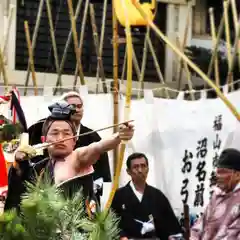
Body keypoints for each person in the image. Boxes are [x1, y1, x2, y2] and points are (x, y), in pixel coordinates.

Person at [4, 101, 134, 212]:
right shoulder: (38, 168)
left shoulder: (78, 158)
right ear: (44, 139)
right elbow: (18, 196)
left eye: (66, 134)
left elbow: (98, 147)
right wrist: (18, 163)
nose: (60, 139)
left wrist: (118, 136)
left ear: (75, 139)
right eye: (54, 133)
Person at [111, 152, 183, 240]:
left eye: (143, 166)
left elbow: (171, 225)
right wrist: (122, 236)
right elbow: (111, 224)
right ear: (128, 171)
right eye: (136, 167)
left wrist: (170, 236)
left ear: (148, 169)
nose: (140, 170)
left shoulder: (157, 195)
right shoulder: (119, 195)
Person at [59, 91, 111, 183]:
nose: (77, 110)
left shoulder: (92, 136)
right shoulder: (55, 135)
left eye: (80, 106)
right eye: (73, 106)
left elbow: (104, 171)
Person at [190, 148, 240, 240]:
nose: (219, 176)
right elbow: (200, 225)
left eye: (223, 172)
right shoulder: (217, 194)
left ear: (237, 175)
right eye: (218, 172)